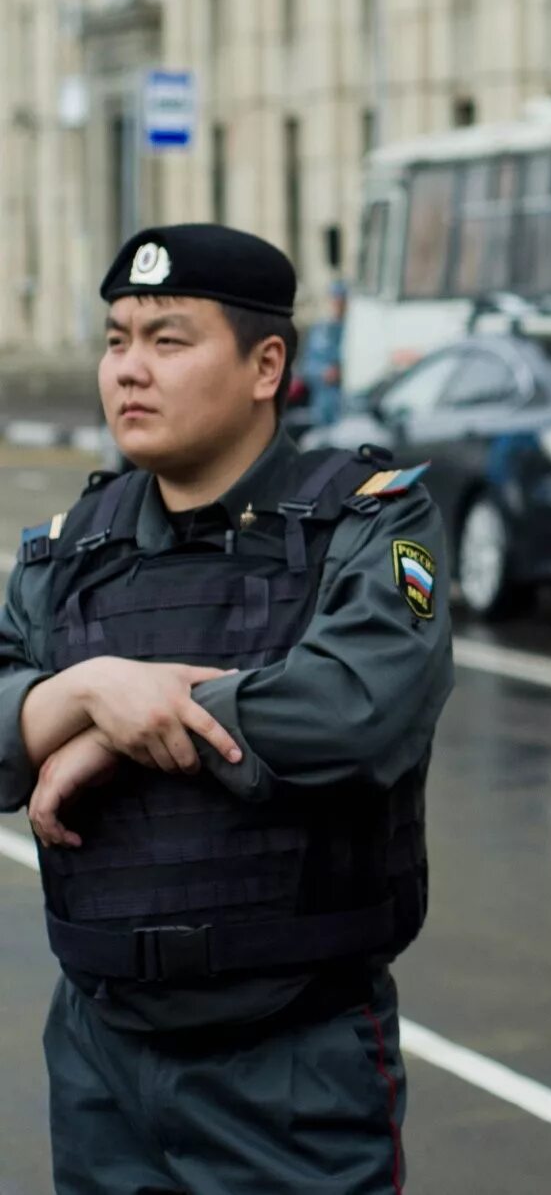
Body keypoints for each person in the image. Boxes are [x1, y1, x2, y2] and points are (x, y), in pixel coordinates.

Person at [0, 224, 454, 1194]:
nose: (129, 368)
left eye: (168, 340)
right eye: (116, 338)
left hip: (291, 1060)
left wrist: (111, 733)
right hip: (99, 1058)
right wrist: (83, 690)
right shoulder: (65, 549)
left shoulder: (371, 520)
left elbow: (357, 706)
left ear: (266, 365)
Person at [302, 277, 349, 427]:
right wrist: (324, 373)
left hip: (349, 407)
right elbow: (307, 367)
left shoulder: (355, 331)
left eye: (342, 300)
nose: (338, 304)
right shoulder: (321, 331)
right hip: (324, 407)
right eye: (335, 299)